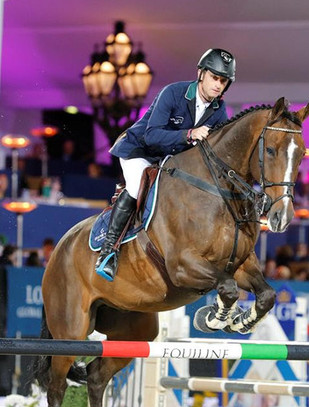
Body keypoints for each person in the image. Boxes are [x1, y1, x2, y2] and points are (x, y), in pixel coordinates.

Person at [95, 48, 236, 281]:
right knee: (136, 186)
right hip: (138, 150)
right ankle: (108, 251)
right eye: (215, 78)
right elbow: (151, 136)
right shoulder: (173, 92)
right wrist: (189, 134)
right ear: (201, 73)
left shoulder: (219, 111)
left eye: (223, 81)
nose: (218, 85)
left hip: (168, 160)